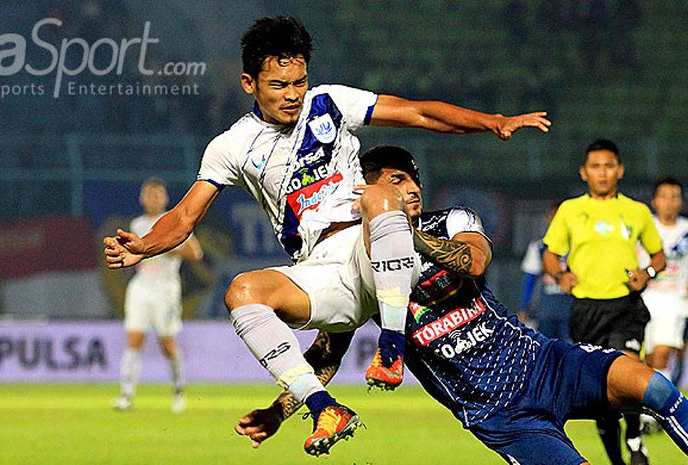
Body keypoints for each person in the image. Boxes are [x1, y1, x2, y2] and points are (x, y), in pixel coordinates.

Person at [103, 16, 551, 456]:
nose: (293, 95)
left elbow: (416, 112)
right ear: (249, 83)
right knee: (243, 292)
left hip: (376, 245)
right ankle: (324, 409)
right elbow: (183, 217)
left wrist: (491, 121)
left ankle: (391, 347)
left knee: (378, 196)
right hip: (322, 271)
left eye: (299, 82)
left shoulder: (330, 103)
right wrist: (144, 246)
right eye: (279, 85)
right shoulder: (232, 147)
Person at [234, 145, 688, 464]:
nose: (411, 188)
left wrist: (404, 236)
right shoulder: (354, 272)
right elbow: (325, 357)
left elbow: (474, 260)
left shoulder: (453, 220)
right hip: (500, 415)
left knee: (658, 390)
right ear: (365, 195)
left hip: (544, 363)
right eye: (396, 181)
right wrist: (279, 411)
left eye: (413, 178)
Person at [543, 139, 667, 465]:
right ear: (585, 172)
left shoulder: (637, 212)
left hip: (625, 306)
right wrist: (560, 276)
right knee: (600, 393)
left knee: (628, 372)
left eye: (608, 166)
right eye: (596, 167)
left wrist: (648, 271)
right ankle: (616, 458)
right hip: (586, 310)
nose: (603, 172)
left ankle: (636, 437)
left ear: (620, 170)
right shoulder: (570, 211)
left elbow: (659, 256)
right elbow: (551, 257)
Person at [111, 177, 203, 413]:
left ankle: (179, 392)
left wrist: (169, 246)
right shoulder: (137, 224)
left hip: (166, 287)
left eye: (158, 194)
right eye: (150, 194)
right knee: (134, 340)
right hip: (141, 284)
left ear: (166, 198)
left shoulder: (173, 222)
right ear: (142, 198)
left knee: (167, 342)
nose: (154, 199)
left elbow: (196, 253)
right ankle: (126, 396)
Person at [642, 178, 688, 381]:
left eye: (674, 197)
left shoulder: (686, 230)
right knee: (648, 358)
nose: (669, 202)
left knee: (662, 353)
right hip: (643, 298)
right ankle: (647, 405)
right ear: (654, 201)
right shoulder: (644, 227)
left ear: (681, 201)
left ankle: (660, 409)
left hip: (674, 300)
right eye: (664, 197)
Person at [519, 202, 572, 339]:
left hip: (573, 311)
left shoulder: (579, 246)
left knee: (572, 353)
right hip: (546, 312)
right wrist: (524, 307)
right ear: (547, 219)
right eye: (554, 216)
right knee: (547, 352)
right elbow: (529, 280)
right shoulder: (538, 246)